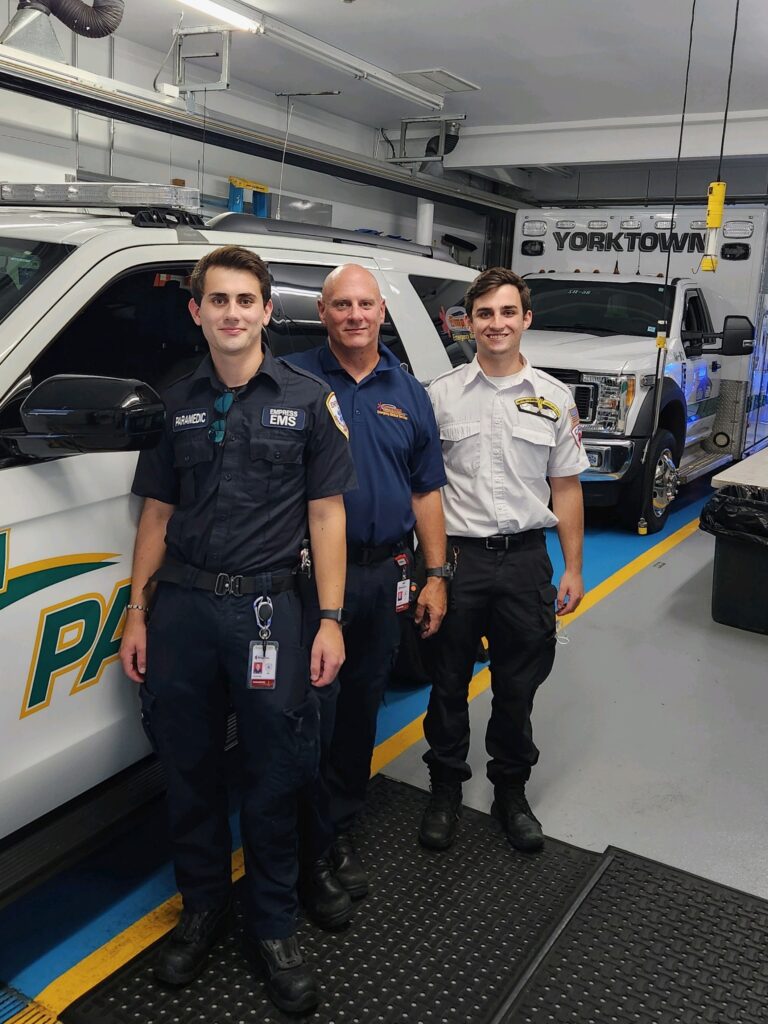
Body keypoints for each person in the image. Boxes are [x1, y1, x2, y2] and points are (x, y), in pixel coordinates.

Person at [119, 245, 356, 1015]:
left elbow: (326, 515)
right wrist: (137, 611)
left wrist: (328, 619)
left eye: (244, 300)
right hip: (184, 612)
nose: (231, 313)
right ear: (197, 312)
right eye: (216, 301)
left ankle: (274, 924)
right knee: (187, 767)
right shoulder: (174, 400)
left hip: (269, 613)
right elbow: (156, 512)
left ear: (265, 310)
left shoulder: (307, 398)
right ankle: (201, 909)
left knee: (274, 773)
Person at [285, 263, 449, 906]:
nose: (355, 316)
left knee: (359, 711)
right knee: (308, 715)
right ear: (322, 313)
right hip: (308, 577)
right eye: (341, 305)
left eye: (365, 305)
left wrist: (436, 575)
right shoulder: (292, 381)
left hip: (386, 575)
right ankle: (303, 837)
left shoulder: (408, 391)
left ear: (383, 313)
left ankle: (336, 831)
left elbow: (426, 490)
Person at [418, 266, 590, 854]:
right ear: (469, 322)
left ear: (526, 319)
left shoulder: (553, 398)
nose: (496, 325)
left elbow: (565, 487)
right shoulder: (438, 396)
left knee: (518, 687)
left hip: (524, 563)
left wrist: (572, 567)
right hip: (457, 561)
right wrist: (433, 571)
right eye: (484, 314)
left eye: (507, 313)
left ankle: (510, 792)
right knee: (446, 683)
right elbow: (426, 491)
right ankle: (443, 789)